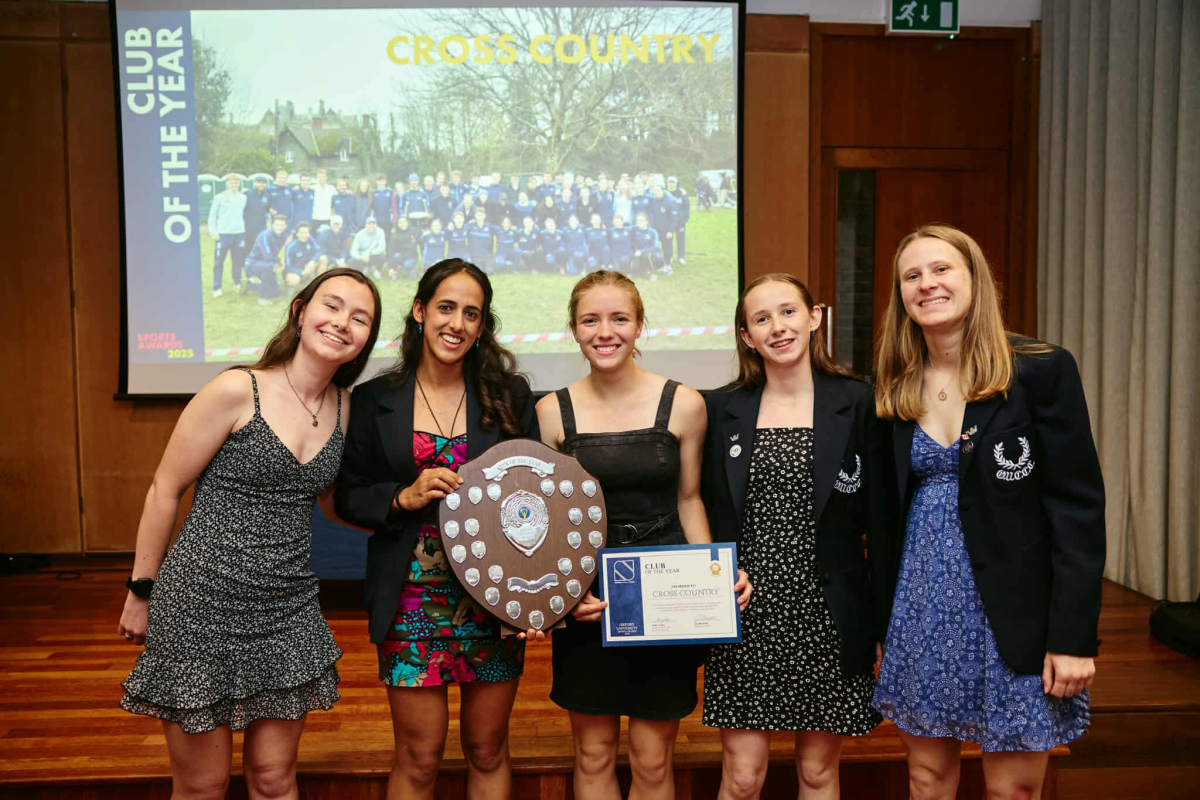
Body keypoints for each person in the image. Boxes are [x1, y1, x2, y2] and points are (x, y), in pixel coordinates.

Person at [118, 268, 382, 800]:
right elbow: (165, 489)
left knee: (273, 780)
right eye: (331, 306)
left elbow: (330, 502)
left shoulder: (345, 408)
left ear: (365, 342)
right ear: (299, 311)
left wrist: (410, 508)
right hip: (201, 605)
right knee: (203, 785)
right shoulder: (238, 388)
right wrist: (140, 591)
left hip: (287, 611)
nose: (342, 323)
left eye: (360, 318)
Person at [872, 225, 1103, 799]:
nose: (927, 284)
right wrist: (879, 627)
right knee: (926, 780)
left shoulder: (1041, 369)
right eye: (912, 275)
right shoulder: (894, 384)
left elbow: (1077, 508)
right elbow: (881, 516)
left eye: (942, 269)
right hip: (922, 610)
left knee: (1014, 790)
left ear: (975, 278)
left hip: (1016, 616)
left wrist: (1073, 636)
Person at [535, 270, 751, 799]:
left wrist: (714, 577)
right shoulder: (549, 412)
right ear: (574, 328)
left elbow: (690, 499)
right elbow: (550, 524)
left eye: (619, 319)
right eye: (591, 320)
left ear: (639, 326)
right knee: (592, 756)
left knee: (653, 763)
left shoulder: (685, 403)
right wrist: (566, 595)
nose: (604, 331)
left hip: (666, 598)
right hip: (590, 602)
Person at [334, 259, 538, 799]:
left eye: (472, 313)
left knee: (488, 749)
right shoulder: (375, 399)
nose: (458, 323)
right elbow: (350, 494)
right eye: (446, 307)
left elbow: (535, 498)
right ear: (421, 312)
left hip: (494, 596)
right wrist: (402, 496)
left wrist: (536, 598)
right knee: (420, 758)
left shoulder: (509, 395)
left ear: (482, 325)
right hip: (410, 598)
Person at [702, 273, 886, 800]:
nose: (777, 327)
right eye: (761, 319)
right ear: (746, 337)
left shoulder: (859, 404)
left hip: (830, 612)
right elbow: (704, 508)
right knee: (741, 778)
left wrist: (879, 622)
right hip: (745, 610)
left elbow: (882, 519)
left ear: (815, 318)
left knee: (818, 774)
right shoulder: (720, 410)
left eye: (788, 312)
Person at [207, 174, 247, 298]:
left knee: (237, 260)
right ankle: (217, 287)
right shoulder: (220, 197)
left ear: (239, 184)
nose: (233, 185)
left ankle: (237, 283)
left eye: (236, 183)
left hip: (239, 233)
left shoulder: (243, 197)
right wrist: (214, 232)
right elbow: (212, 216)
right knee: (219, 261)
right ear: (227, 183)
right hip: (223, 234)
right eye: (231, 183)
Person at [244, 214, 289, 306]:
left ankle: (250, 285)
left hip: (267, 264)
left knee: (276, 293)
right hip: (252, 264)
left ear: (285, 226)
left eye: (282, 225)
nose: (279, 227)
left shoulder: (284, 236)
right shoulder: (265, 235)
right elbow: (267, 256)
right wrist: (279, 261)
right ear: (272, 225)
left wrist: (281, 261)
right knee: (268, 266)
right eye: (277, 225)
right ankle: (263, 298)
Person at [283, 221, 320, 292]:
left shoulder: (310, 239)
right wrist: (301, 272)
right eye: (301, 233)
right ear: (297, 234)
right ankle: (289, 285)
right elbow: (287, 266)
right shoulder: (291, 246)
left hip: (306, 267)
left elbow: (318, 251)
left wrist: (312, 261)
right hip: (294, 271)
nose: (304, 235)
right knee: (295, 280)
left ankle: (318, 283)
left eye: (306, 232)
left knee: (322, 259)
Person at [631, 212, 665, 280]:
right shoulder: (633, 229)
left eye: (642, 220)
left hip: (654, 256)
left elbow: (655, 247)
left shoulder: (653, 232)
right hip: (640, 256)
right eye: (638, 220)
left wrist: (641, 251)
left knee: (647, 255)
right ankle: (645, 272)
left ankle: (653, 273)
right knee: (634, 268)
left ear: (647, 221)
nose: (640, 222)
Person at [665, 176, 689, 267]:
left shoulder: (682, 193)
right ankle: (669, 257)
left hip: (680, 221)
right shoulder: (664, 192)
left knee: (681, 239)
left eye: (673, 182)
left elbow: (686, 206)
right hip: (669, 221)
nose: (671, 184)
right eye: (669, 182)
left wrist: (685, 218)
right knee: (668, 240)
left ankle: (681, 257)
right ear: (667, 183)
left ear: (676, 183)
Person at [389, 216, 420, 280]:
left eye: (405, 222)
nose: (403, 224)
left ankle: (410, 270)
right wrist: (391, 267)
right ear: (397, 224)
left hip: (412, 256)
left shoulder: (414, 230)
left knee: (407, 265)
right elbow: (391, 250)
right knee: (396, 256)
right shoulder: (395, 235)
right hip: (401, 256)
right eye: (401, 223)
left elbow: (421, 238)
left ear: (407, 222)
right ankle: (396, 271)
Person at [466, 206, 496, 273]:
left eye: (481, 215)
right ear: (475, 216)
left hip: (486, 255)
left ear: (485, 216)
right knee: (479, 272)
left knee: (490, 272)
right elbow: (460, 228)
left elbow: (500, 230)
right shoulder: (470, 226)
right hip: (475, 255)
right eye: (478, 215)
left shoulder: (489, 226)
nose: (480, 217)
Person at [267, 169, 294, 237]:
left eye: (284, 178)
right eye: (280, 178)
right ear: (276, 178)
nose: (282, 180)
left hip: (288, 221)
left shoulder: (289, 189)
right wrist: (269, 209)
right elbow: (264, 202)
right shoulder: (269, 189)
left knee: (287, 241)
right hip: (276, 222)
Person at [373, 174, 395, 244]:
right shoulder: (373, 192)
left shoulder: (390, 192)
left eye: (383, 181)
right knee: (377, 238)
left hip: (387, 219)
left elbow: (393, 204)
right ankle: (378, 254)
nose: (381, 183)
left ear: (385, 182)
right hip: (377, 218)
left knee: (388, 237)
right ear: (376, 182)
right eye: (379, 181)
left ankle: (388, 254)